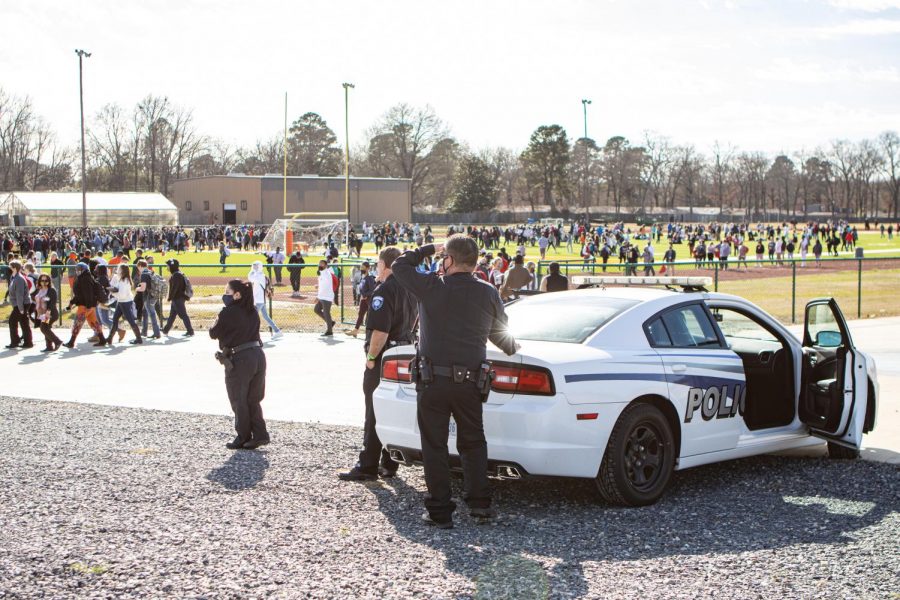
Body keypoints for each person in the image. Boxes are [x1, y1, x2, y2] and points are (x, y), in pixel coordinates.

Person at [391, 235, 518, 529]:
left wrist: (425, 249)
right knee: (473, 441)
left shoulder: (432, 286)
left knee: (434, 445)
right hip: (471, 382)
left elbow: (399, 266)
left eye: (443, 257)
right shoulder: (487, 292)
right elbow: (503, 337)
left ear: (448, 259)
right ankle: (479, 504)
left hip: (433, 381)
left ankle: (440, 511)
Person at [339, 247, 418, 481]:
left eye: (378, 264)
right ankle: (389, 463)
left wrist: (371, 358)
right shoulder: (411, 288)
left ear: (385, 265)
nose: (376, 269)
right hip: (404, 351)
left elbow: (380, 332)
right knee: (393, 410)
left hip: (385, 357)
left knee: (374, 412)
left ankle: (368, 465)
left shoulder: (384, 291)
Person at [209, 280, 269, 450]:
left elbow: (213, 333)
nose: (225, 294)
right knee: (253, 399)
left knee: (238, 399)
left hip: (240, 358)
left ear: (237, 295)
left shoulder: (228, 312)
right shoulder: (252, 311)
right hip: (258, 356)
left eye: (227, 291)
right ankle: (259, 434)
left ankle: (242, 436)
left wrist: (218, 317)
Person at [64, 262, 106, 348]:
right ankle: (102, 339)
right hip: (89, 305)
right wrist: (72, 302)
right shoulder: (84, 277)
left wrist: (88, 306)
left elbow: (88, 293)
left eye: (80, 269)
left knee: (77, 323)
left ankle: (71, 342)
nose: (78, 270)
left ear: (84, 269)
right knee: (94, 323)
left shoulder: (85, 279)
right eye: (77, 269)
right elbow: (80, 294)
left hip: (85, 305)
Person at [106, 264, 143, 345]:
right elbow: (118, 290)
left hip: (125, 302)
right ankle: (110, 338)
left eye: (119, 269)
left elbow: (122, 295)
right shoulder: (122, 279)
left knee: (130, 320)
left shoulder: (124, 281)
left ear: (122, 271)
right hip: (121, 302)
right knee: (115, 319)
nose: (117, 270)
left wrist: (113, 293)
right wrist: (113, 289)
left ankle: (139, 338)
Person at [248, 261, 282, 340]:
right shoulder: (260, 275)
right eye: (254, 266)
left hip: (259, 300)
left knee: (252, 317)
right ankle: (277, 331)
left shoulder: (259, 276)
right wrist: (253, 270)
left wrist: (251, 270)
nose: (254, 267)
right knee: (266, 317)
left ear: (259, 267)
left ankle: (253, 334)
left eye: (256, 266)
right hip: (261, 300)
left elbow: (250, 277)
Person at [162, 259, 195, 337]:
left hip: (178, 298)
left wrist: (170, 297)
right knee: (172, 315)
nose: (167, 267)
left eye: (168, 265)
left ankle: (190, 331)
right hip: (177, 298)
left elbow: (175, 288)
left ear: (172, 266)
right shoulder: (177, 274)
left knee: (183, 315)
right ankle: (165, 330)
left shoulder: (176, 275)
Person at [5, 260, 33, 349]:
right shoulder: (13, 277)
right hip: (19, 304)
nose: (9, 268)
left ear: (15, 268)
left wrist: (21, 308)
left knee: (12, 321)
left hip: (21, 304)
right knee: (24, 322)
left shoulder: (19, 279)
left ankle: (15, 342)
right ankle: (28, 343)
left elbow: (19, 295)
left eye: (11, 267)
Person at [31, 273, 62, 352]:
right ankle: (49, 346)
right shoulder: (39, 289)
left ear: (49, 281)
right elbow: (34, 297)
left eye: (46, 280)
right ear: (39, 281)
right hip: (41, 314)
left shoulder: (51, 290)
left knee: (43, 328)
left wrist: (48, 312)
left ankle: (57, 341)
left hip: (50, 314)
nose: (44, 282)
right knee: (46, 328)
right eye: (42, 280)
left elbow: (52, 303)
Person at [345, 261, 376, 338]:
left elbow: (372, 290)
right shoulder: (363, 277)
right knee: (360, 315)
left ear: (368, 268)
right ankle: (355, 330)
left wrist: (366, 295)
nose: (362, 269)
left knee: (370, 316)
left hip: (368, 300)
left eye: (363, 268)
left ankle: (370, 333)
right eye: (361, 267)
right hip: (363, 299)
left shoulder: (370, 278)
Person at [134, 259, 161, 340]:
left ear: (140, 266)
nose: (138, 269)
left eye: (138, 267)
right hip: (153, 296)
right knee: (145, 313)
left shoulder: (144, 274)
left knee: (151, 314)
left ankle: (156, 333)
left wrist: (136, 288)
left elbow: (143, 288)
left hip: (148, 297)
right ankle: (144, 331)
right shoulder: (150, 272)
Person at [314, 259, 335, 336]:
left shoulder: (326, 273)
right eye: (319, 264)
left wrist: (318, 297)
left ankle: (330, 331)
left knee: (326, 313)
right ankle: (330, 322)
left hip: (326, 297)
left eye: (322, 264)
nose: (320, 265)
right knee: (316, 310)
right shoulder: (321, 274)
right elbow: (322, 286)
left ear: (326, 266)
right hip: (322, 296)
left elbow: (325, 287)